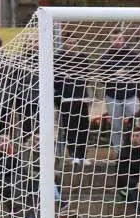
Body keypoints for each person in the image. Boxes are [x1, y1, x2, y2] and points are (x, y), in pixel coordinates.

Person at [98, 29, 140, 149]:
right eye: (114, 39)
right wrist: (114, 75)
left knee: (137, 123)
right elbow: (102, 79)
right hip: (112, 97)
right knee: (116, 127)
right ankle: (119, 152)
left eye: (120, 38)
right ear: (110, 40)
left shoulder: (132, 55)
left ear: (124, 39)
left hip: (131, 96)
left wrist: (139, 96)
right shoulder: (104, 57)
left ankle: (138, 149)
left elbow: (138, 77)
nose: (118, 41)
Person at [55, 36, 92, 165]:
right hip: (66, 99)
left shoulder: (83, 58)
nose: (71, 45)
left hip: (81, 98)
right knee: (70, 128)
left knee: (84, 127)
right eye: (69, 43)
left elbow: (86, 78)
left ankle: (82, 156)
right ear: (64, 44)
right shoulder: (58, 58)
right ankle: (73, 155)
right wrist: (59, 97)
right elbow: (56, 81)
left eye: (73, 43)